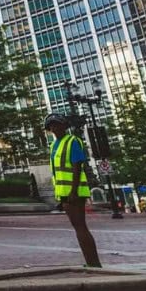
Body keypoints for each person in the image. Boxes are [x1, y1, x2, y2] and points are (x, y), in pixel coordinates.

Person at [46, 113, 102, 268]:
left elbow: (77, 166)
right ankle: (91, 262)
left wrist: (73, 190)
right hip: (63, 192)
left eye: (57, 124)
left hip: (74, 192)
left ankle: (94, 263)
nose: (54, 128)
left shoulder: (73, 141)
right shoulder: (54, 145)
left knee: (80, 226)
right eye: (51, 126)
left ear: (64, 126)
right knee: (78, 226)